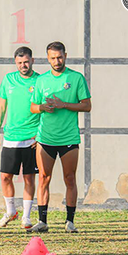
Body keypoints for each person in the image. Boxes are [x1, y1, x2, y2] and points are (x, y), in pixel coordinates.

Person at [29, 41, 91, 233]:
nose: (57, 61)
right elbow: (33, 106)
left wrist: (63, 104)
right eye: (53, 58)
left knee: (69, 178)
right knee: (43, 179)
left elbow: (86, 105)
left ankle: (70, 222)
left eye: (60, 57)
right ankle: (42, 221)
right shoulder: (41, 81)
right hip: (45, 138)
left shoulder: (76, 78)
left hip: (69, 138)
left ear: (66, 55)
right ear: (48, 59)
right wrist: (43, 108)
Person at [0, 46, 40, 229]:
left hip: (31, 138)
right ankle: (11, 211)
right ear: (16, 63)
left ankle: (27, 217)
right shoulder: (8, 79)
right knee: (6, 176)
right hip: (11, 137)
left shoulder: (40, 81)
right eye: (20, 62)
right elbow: (1, 107)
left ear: (32, 61)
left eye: (26, 62)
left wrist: (40, 134)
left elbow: (45, 111)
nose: (23, 65)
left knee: (29, 178)